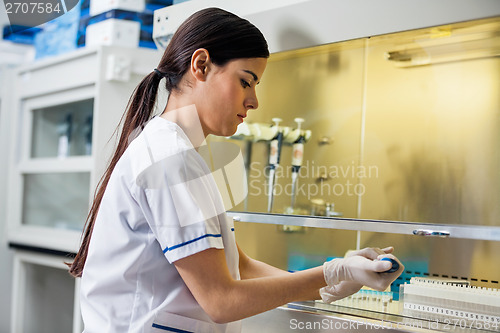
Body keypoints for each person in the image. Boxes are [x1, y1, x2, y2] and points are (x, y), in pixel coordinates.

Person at [68, 7, 404, 333]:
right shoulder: (169, 158)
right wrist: (331, 274)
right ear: (201, 65)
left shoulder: (176, 152)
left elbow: (240, 267)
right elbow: (222, 300)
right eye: (246, 82)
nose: (254, 101)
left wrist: (332, 282)